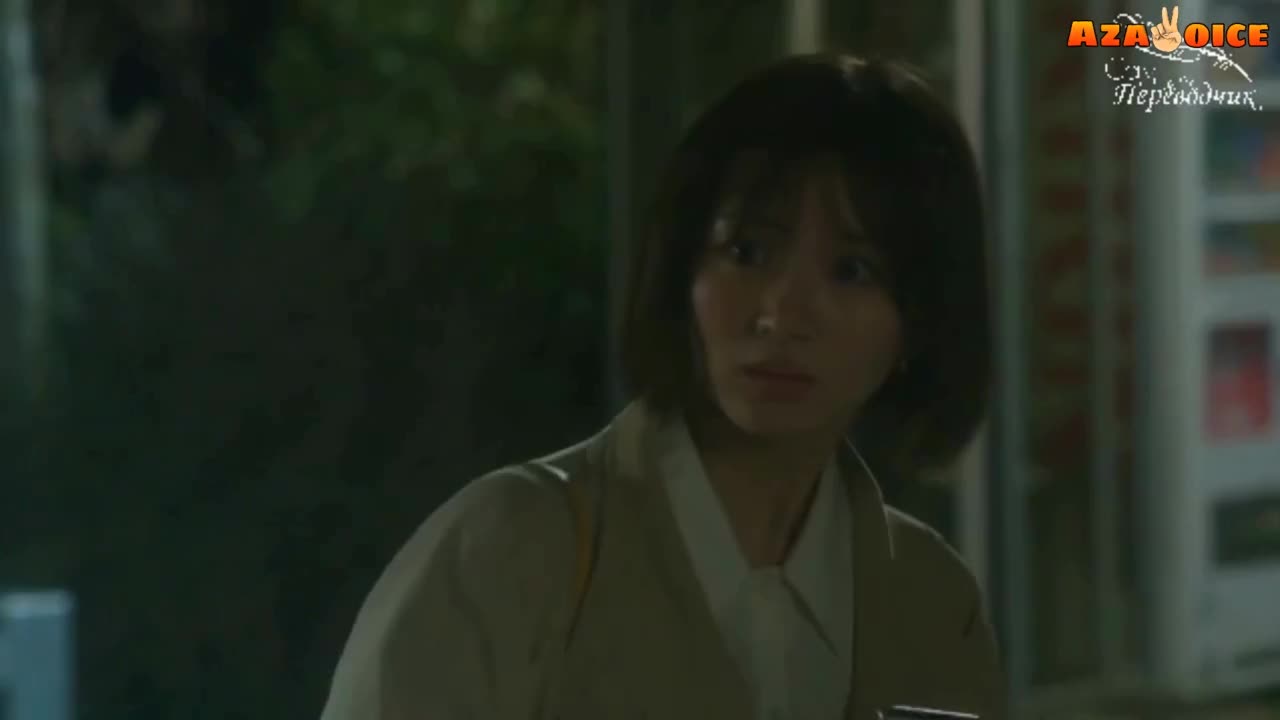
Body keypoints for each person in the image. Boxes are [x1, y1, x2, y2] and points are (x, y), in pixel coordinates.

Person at [319, 52, 1004, 720]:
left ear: (922, 320)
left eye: (852, 271)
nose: (782, 313)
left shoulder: (933, 606)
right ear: (683, 269)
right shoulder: (513, 550)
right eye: (746, 252)